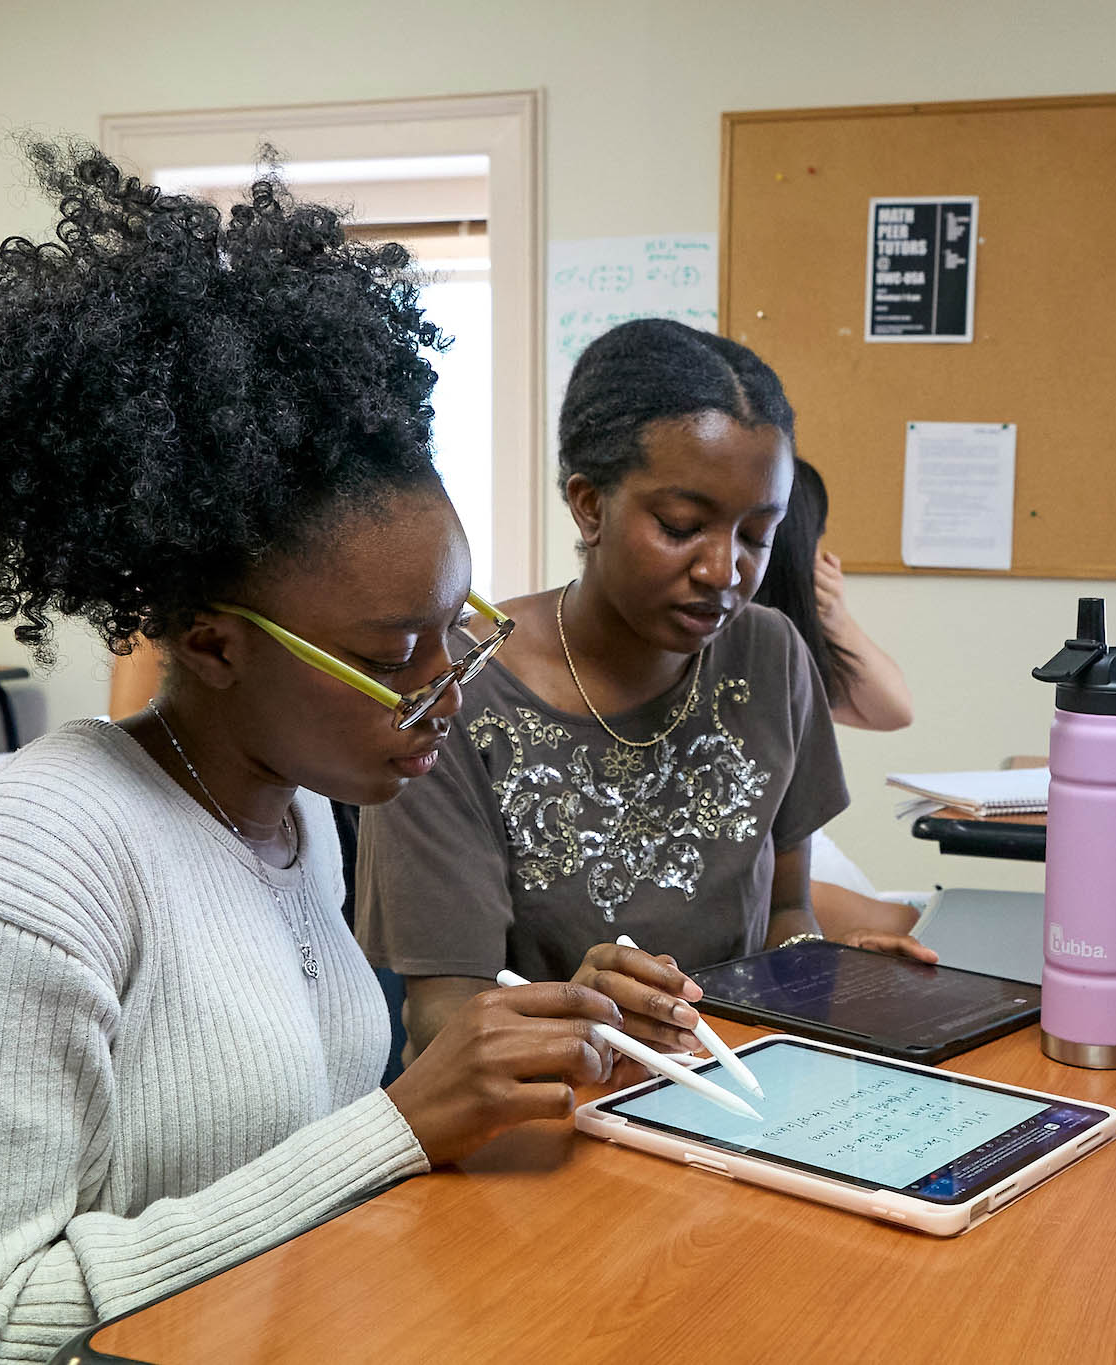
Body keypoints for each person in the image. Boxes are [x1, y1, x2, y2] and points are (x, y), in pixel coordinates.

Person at [0, 143, 632, 1365]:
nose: (443, 693)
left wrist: (534, 1039)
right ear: (211, 643)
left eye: (452, 628)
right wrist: (396, 1129)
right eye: (393, 653)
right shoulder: (21, 880)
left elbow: (276, 1156)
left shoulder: (291, 813)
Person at [357, 319, 934, 1063]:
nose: (724, 570)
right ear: (589, 505)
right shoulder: (456, 696)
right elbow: (442, 1017)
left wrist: (822, 974)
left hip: (743, 1087)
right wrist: (584, 1023)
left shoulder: (770, 655)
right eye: (682, 526)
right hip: (552, 1109)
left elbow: (788, 910)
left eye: (757, 535)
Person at [751, 456, 924, 936]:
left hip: (804, 878)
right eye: (817, 542)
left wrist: (836, 619)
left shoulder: (785, 655)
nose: (826, 560)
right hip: (789, 889)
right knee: (918, 924)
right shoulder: (745, 661)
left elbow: (895, 709)